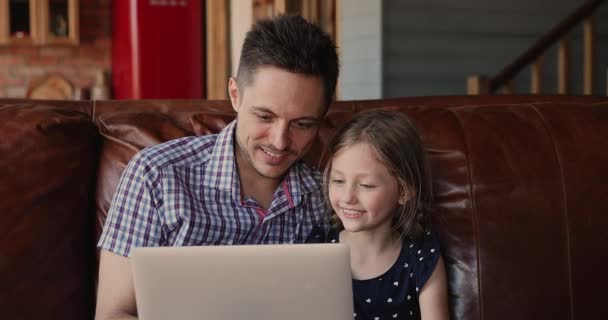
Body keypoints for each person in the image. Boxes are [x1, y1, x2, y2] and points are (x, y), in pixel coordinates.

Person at [95, 15, 339, 320]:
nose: (279, 142)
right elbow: (112, 314)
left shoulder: (328, 195)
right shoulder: (156, 175)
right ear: (235, 95)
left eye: (302, 124)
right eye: (264, 116)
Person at [322, 110, 449, 320]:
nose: (347, 197)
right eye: (338, 181)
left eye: (366, 185)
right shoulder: (318, 245)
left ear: (404, 191)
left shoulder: (421, 255)